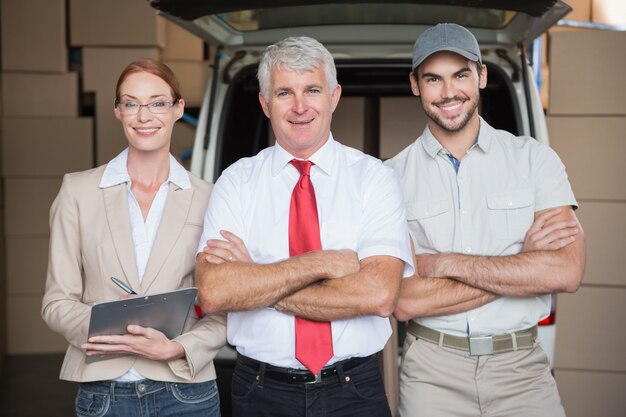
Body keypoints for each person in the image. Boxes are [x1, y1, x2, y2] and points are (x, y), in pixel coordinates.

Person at [195, 36, 414, 417]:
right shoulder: (236, 181)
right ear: (265, 103)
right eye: (284, 93)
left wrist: (256, 279)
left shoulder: (374, 178)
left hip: (354, 392)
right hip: (261, 391)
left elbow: (378, 294)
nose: (299, 107)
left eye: (312, 90)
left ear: (334, 96)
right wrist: (321, 264)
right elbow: (214, 292)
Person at [385, 23, 586, 417]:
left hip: (523, 369)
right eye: (433, 79)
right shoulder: (390, 178)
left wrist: (443, 264)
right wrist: (521, 264)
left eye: (461, 74)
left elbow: (566, 272)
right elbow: (405, 301)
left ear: (481, 75)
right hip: (432, 373)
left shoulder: (534, 159)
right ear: (415, 84)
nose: (448, 93)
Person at [41, 59, 226, 417]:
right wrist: (112, 333)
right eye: (131, 103)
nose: (145, 116)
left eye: (158, 102)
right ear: (118, 111)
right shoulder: (77, 191)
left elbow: (226, 310)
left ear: (178, 109)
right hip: (104, 395)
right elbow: (56, 302)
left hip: (187, 393)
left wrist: (178, 348)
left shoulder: (211, 198)